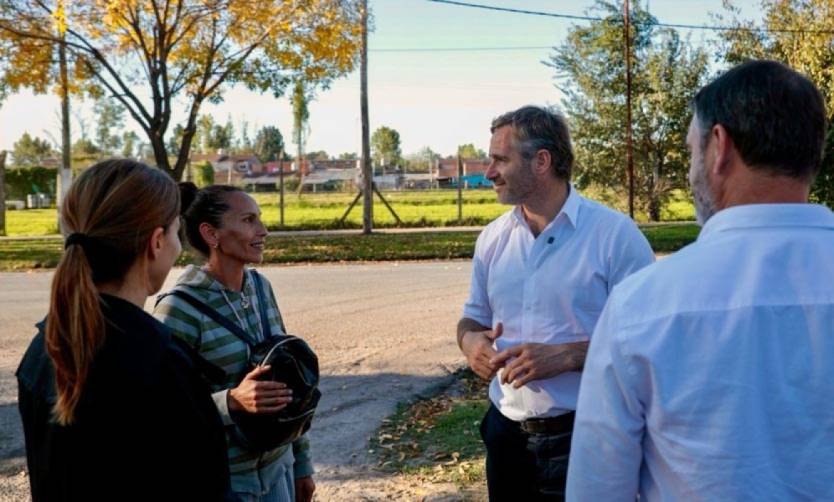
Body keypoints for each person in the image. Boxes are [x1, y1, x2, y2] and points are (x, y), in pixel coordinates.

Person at [567, 60, 834, 500]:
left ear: (720, 147)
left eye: (692, 151)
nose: (691, 171)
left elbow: (597, 489)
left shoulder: (641, 306)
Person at [457, 105, 655, 500]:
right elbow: (472, 319)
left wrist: (569, 355)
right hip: (506, 437)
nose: (489, 172)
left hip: (588, 437)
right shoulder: (492, 239)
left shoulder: (615, 236)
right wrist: (471, 343)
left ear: (542, 161)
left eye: (500, 159)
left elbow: (652, 340)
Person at [15, 159, 231, 501]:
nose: (178, 247)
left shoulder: (46, 347)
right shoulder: (161, 367)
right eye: (176, 232)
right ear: (156, 242)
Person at [154, 183, 315, 502]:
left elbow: (287, 383)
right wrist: (230, 401)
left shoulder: (260, 288)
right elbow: (162, 410)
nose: (263, 230)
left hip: (279, 471)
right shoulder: (179, 308)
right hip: (223, 483)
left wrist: (301, 464)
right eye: (248, 220)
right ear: (211, 234)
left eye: (259, 218)